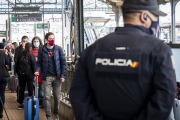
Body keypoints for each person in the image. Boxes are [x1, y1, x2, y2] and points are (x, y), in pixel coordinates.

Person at [69, 0, 176, 120]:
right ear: (144, 16)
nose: (157, 22)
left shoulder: (92, 50)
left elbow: (78, 95)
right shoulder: (159, 50)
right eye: (155, 17)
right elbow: (165, 97)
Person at [35, 32, 67, 120]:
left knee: (57, 98)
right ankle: (48, 116)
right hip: (46, 77)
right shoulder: (41, 50)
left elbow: (63, 63)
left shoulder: (58, 49)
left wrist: (63, 75)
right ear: (46, 40)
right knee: (47, 98)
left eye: (53, 38)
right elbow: (39, 63)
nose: (52, 40)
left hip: (57, 77)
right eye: (50, 38)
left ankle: (56, 115)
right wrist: (37, 70)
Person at [16, 43, 36, 110]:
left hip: (21, 74)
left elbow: (16, 64)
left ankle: (20, 104)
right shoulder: (31, 55)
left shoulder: (19, 55)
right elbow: (33, 65)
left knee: (21, 89)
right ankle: (31, 103)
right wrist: (34, 73)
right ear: (30, 48)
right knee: (30, 88)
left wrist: (18, 73)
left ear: (25, 47)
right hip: (29, 74)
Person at [31, 36, 44, 108]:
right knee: (33, 86)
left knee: (41, 86)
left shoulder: (42, 50)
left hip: (41, 70)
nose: (36, 43)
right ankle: (34, 99)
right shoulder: (30, 50)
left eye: (37, 41)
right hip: (32, 70)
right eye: (34, 41)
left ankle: (40, 100)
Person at [0, 43, 9, 118]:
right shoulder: (3, 53)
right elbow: (7, 62)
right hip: (4, 75)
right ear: (3, 47)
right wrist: (6, 54)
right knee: (2, 94)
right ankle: (1, 111)